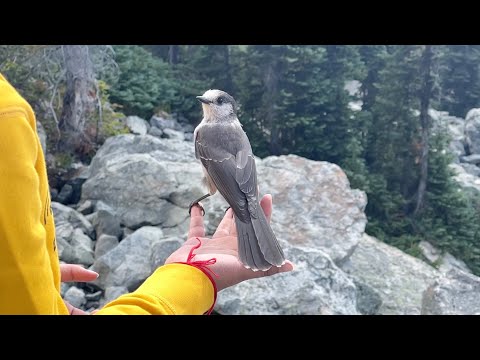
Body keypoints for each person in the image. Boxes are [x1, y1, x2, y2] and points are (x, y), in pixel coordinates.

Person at [0, 72, 294, 315]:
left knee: (245, 214)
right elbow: (240, 173)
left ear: (228, 108)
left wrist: (37, 271)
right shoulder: (228, 132)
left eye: (217, 101)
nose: (208, 103)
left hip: (238, 191)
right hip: (244, 190)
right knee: (248, 216)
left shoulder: (207, 133)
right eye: (207, 100)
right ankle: (259, 239)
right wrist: (245, 205)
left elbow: (221, 175)